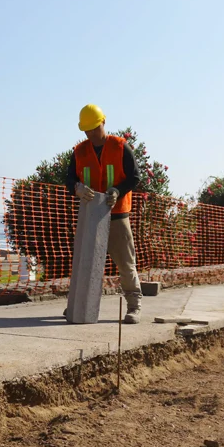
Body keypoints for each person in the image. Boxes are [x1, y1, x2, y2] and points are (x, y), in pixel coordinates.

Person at [65, 104, 142, 324]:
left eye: (94, 128)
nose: (91, 134)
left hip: (117, 214)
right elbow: (69, 180)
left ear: (103, 122)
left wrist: (117, 191)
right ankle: (78, 304)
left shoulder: (120, 147)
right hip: (90, 216)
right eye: (87, 130)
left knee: (126, 264)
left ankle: (134, 305)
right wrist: (77, 188)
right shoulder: (79, 151)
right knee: (84, 263)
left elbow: (134, 177)